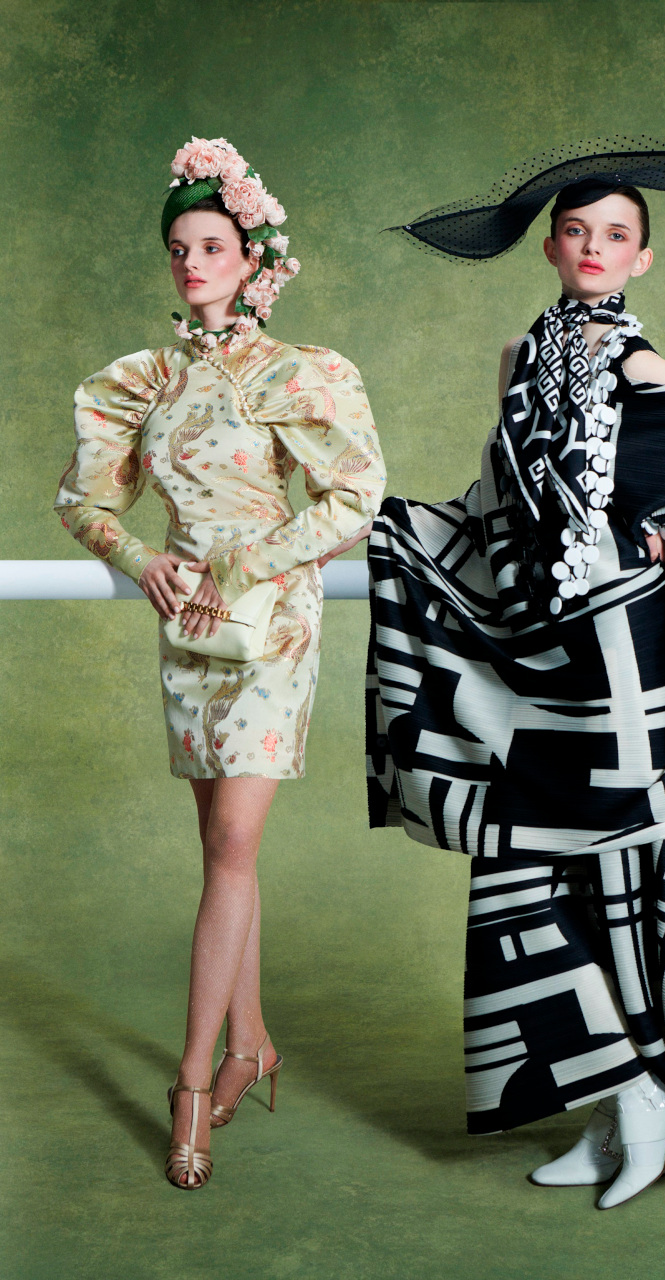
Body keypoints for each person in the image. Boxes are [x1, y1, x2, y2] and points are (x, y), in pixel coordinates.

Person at [367, 138, 665, 1210]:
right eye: (578, 232)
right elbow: (493, 499)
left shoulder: (649, 368)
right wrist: (402, 533)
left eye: (617, 235)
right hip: (536, 651)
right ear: (553, 247)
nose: (595, 249)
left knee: (627, 873)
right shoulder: (520, 355)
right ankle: (604, 1107)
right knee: (534, 868)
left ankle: (649, 1095)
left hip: (626, 657)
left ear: (642, 258)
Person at [54, 136, 386, 1189]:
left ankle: (193, 1082)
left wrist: (253, 553)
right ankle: (254, 1043)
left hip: (270, 621)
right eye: (181, 248)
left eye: (213, 245)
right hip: (186, 620)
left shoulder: (298, 373)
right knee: (219, 849)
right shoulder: (141, 381)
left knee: (235, 839)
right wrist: (138, 554)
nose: (194, 263)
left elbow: (354, 495)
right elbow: (80, 499)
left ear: (252, 259)